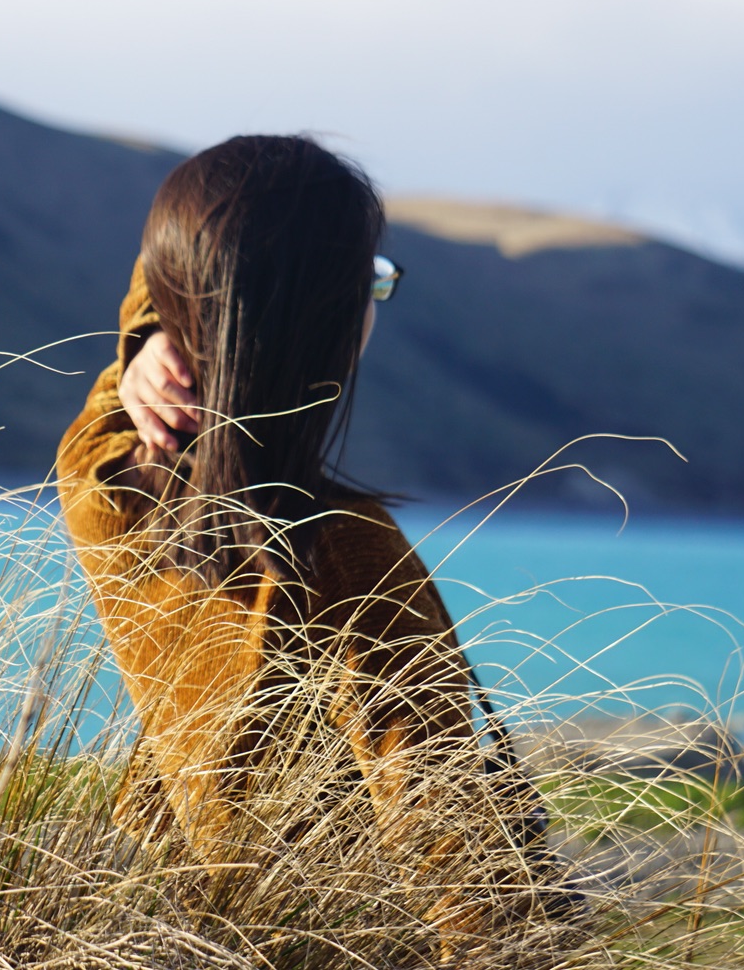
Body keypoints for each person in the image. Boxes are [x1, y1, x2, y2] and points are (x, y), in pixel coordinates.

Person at [56, 135, 553, 954]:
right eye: (370, 284)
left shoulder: (105, 484)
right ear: (322, 323)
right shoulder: (348, 558)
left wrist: (154, 336)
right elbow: (456, 856)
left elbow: (177, 272)